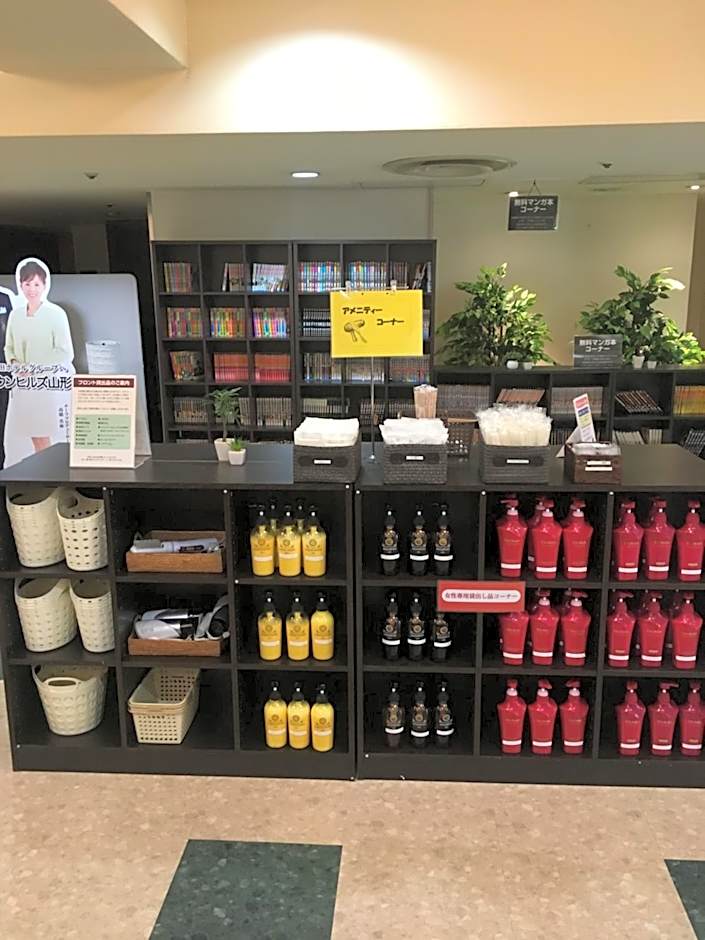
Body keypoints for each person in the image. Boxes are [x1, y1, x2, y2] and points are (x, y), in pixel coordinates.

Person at [4, 259, 74, 467]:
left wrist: (35, 368)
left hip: (47, 385)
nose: (31, 289)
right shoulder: (15, 315)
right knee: (30, 436)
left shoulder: (56, 314)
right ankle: (44, 472)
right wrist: (15, 364)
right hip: (23, 385)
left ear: (44, 285)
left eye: (36, 284)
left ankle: (51, 473)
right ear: (20, 285)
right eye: (27, 284)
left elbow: (64, 352)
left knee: (43, 435)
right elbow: (9, 347)